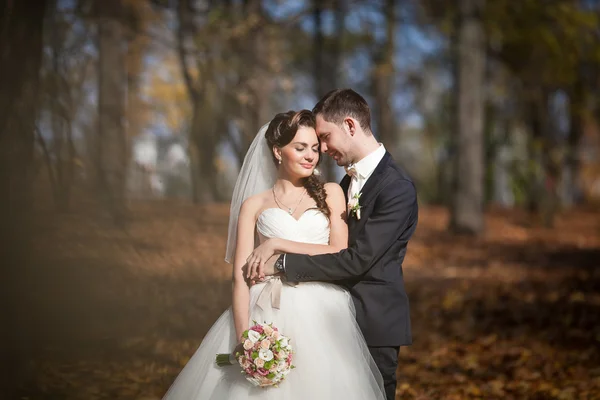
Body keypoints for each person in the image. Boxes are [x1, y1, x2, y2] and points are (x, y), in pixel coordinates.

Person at [161, 110, 386, 399]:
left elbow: (338, 251)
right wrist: (246, 340)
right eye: (300, 148)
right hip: (265, 310)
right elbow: (240, 278)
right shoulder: (253, 204)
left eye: (315, 148)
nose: (311, 156)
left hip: (323, 312)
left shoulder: (331, 192)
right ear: (278, 152)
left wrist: (278, 243)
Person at [249, 89, 419, 400]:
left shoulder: (396, 187)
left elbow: (356, 259)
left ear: (351, 126)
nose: (322, 149)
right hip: (329, 317)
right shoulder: (345, 183)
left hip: (373, 322)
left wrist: (282, 262)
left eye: (325, 138)